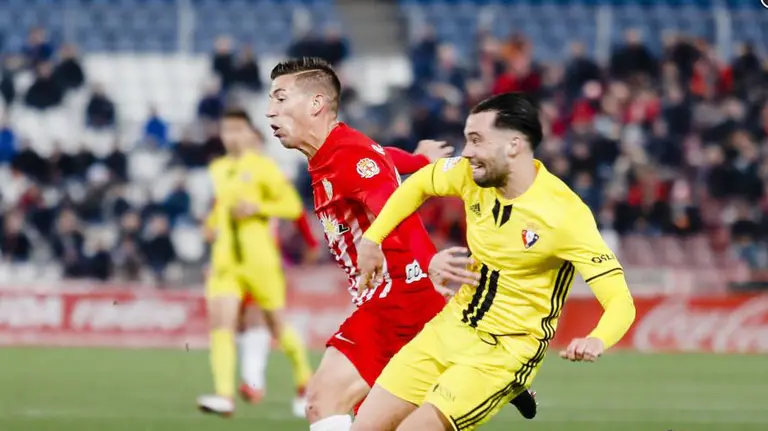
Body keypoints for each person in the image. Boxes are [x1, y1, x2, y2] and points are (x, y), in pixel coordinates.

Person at [266, 57, 536, 431]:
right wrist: (419, 159)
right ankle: (490, 369)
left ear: (316, 104)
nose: (270, 112)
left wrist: (429, 264)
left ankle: (486, 367)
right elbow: (382, 160)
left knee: (323, 402)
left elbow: (395, 210)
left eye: (280, 99)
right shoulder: (337, 153)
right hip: (397, 299)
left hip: (396, 299)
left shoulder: (347, 154)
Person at [353, 92, 637, 431]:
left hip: (505, 350)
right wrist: (372, 239)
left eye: (476, 140)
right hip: (451, 326)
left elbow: (620, 300)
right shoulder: (469, 176)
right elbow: (417, 185)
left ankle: (513, 384)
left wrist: (597, 338)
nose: (467, 151)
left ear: (514, 145)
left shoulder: (564, 214)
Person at [196, 108, 313, 417]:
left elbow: (291, 206)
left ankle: (304, 379)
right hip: (225, 260)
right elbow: (223, 204)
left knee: (277, 326)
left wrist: (258, 207)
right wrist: (210, 223)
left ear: (249, 133)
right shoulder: (219, 168)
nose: (230, 136)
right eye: (226, 130)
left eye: (237, 130)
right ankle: (224, 394)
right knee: (221, 322)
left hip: (260, 260)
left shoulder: (264, 167)